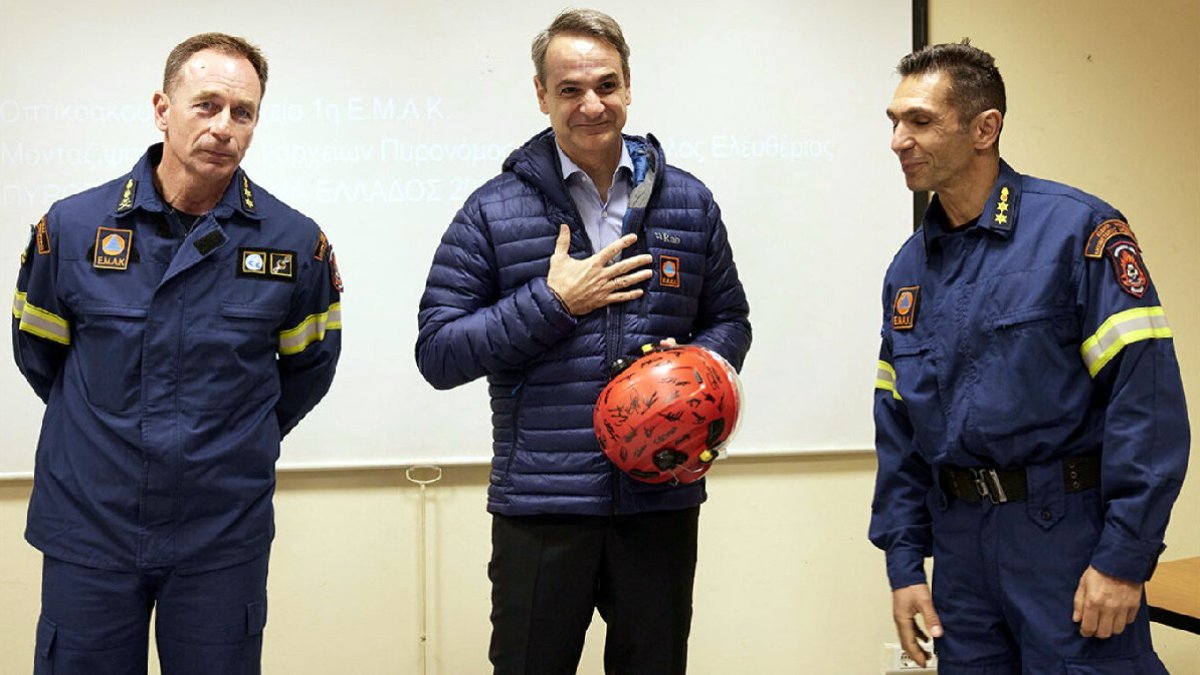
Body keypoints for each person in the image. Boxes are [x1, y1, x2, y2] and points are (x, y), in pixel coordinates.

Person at [416, 9, 750, 674]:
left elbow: (730, 321)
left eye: (606, 85)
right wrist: (554, 304)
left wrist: (690, 376)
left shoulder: (689, 202)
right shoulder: (492, 210)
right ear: (541, 95)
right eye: (570, 89)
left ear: (629, 87)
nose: (592, 105)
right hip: (543, 507)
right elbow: (439, 351)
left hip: (659, 501)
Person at [12, 33, 342, 673]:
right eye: (207, 105)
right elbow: (38, 356)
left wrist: (231, 441)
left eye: (242, 113)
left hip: (220, 532)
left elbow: (307, 371)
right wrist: (105, 435)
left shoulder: (295, 243)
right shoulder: (73, 228)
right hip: (91, 522)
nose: (224, 127)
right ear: (162, 109)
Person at [870, 41, 1189, 673]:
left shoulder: (1078, 232)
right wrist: (904, 564)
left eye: (921, 121)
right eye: (895, 121)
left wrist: (1124, 558)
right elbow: (898, 429)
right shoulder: (908, 270)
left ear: (984, 128)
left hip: (1065, 542)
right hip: (961, 552)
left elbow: (1146, 403)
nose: (898, 141)